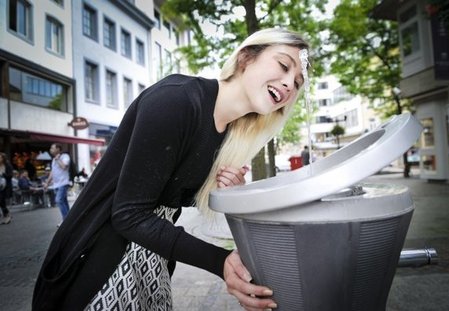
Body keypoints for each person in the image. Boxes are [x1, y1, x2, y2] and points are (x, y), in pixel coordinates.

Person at [33, 28, 309, 311]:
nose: (289, 84)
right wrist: (219, 261)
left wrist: (224, 192)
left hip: (150, 261)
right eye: (283, 66)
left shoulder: (229, 136)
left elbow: (170, 196)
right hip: (100, 260)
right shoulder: (176, 99)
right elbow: (128, 214)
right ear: (245, 59)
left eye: (297, 83)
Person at [43, 143, 70, 220]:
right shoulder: (54, 159)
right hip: (56, 184)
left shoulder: (65, 156)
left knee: (58, 200)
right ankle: (70, 219)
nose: (50, 150)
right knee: (64, 201)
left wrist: (58, 159)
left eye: (52, 148)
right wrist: (47, 183)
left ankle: (66, 220)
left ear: (58, 149)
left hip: (63, 183)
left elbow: (64, 166)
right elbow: (53, 172)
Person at [0, 152, 13, 224]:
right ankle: (6, 215)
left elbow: (10, 176)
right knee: (1, 201)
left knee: (2, 200)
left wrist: (3, 174)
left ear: (3, 158)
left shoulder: (7, 165)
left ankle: (7, 214)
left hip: (6, 186)